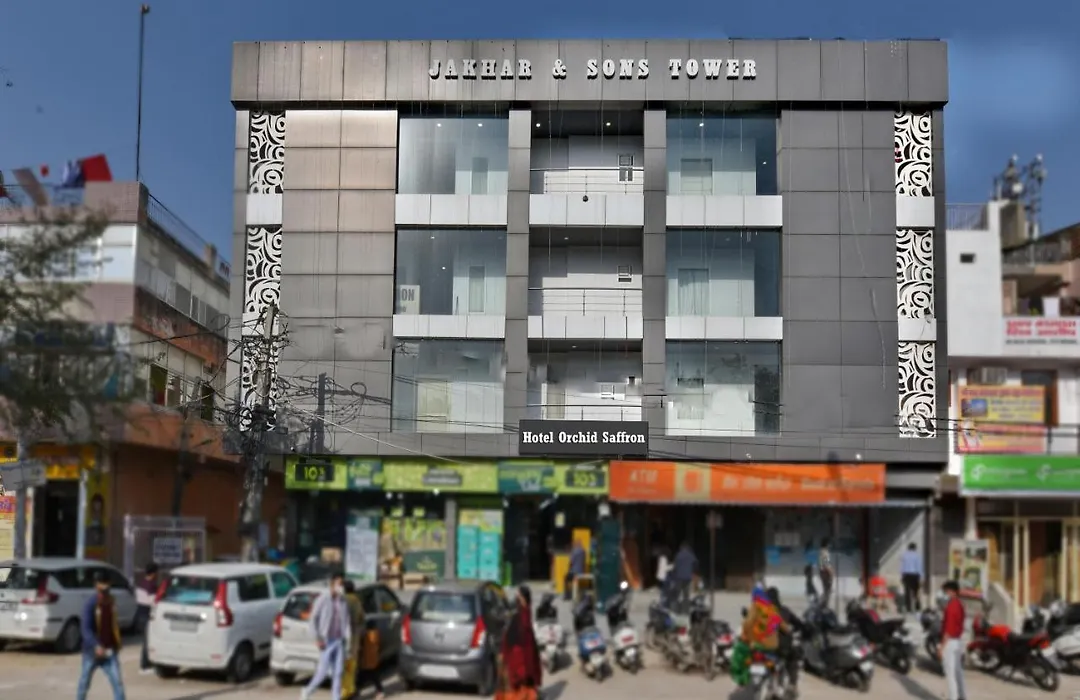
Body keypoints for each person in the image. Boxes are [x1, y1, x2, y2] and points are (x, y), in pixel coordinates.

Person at [301, 573, 352, 700]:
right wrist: (317, 638)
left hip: (339, 640)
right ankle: (307, 691)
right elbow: (313, 619)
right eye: (339, 584)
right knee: (322, 673)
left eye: (342, 584)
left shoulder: (343, 601)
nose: (341, 587)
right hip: (326, 640)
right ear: (332, 584)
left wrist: (348, 639)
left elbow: (346, 621)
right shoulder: (323, 599)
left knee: (338, 672)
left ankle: (336, 697)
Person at [77, 570, 126, 700]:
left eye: (106, 586)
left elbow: (114, 625)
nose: (104, 590)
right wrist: (96, 645)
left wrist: (117, 643)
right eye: (101, 586)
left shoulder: (112, 602)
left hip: (109, 650)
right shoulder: (90, 605)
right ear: (96, 586)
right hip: (92, 652)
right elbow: (85, 629)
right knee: (84, 683)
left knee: (118, 684)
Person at [730, 585, 790, 687]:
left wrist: (745, 633)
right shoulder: (772, 609)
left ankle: (741, 679)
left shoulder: (756, 607)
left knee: (739, 652)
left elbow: (747, 623)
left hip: (758, 644)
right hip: (773, 646)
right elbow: (785, 627)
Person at [496, 585, 542, 700]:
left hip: (520, 648)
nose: (516, 596)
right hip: (515, 645)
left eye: (519, 594)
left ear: (523, 597)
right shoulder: (519, 608)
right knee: (512, 674)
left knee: (521, 674)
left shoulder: (525, 611)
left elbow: (524, 627)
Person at [766, 587, 802, 690]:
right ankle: (792, 683)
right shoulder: (784, 611)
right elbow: (798, 623)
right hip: (782, 647)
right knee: (793, 657)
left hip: (764, 646)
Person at [940, 580, 967, 700]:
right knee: (958, 671)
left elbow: (948, 630)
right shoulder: (960, 605)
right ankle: (962, 696)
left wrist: (941, 647)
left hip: (950, 642)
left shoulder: (951, 607)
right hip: (958, 641)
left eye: (946, 591)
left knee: (950, 673)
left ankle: (953, 697)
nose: (945, 594)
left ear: (952, 592)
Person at [340, 580, 365, 700]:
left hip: (342, 637)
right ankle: (350, 691)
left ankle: (344, 692)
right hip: (354, 637)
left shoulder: (341, 600)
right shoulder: (356, 601)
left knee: (342, 666)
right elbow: (362, 618)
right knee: (352, 666)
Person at [135, 563, 159, 674]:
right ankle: (144, 665)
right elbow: (153, 602)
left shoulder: (141, 583)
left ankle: (146, 664)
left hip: (139, 613)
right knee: (147, 641)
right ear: (153, 573)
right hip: (147, 614)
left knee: (146, 640)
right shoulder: (151, 586)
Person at [672, 542, 698, 608]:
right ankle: (685, 608)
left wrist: (674, 573)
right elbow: (696, 563)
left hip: (679, 577)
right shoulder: (691, 555)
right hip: (687, 577)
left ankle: (675, 608)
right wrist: (693, 571)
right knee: (686, 594)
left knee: (677, 594)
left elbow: (675, 566)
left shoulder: (678, 555)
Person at [900, 542, 924, 613]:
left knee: (907, 592)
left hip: (906, 575)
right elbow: (919, 567)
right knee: (916, 591)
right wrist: (922, 576)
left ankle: (908, 608)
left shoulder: (904, 555)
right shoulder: (917, 555)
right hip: (915, 575)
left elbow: (902, 567)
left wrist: (902, 576)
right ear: (915, 548)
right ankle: (917, 607)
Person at [818, 539, 834, 607]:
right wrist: (831, 572)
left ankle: (823, 603)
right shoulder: (825, 553)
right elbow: (826, 564)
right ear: (826, 545)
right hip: (826, 573)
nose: (829, 546)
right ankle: (824, 604)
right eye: (828, 544)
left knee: (825, 589)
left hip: (822, 572)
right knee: (827, 590)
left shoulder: (821, 552)